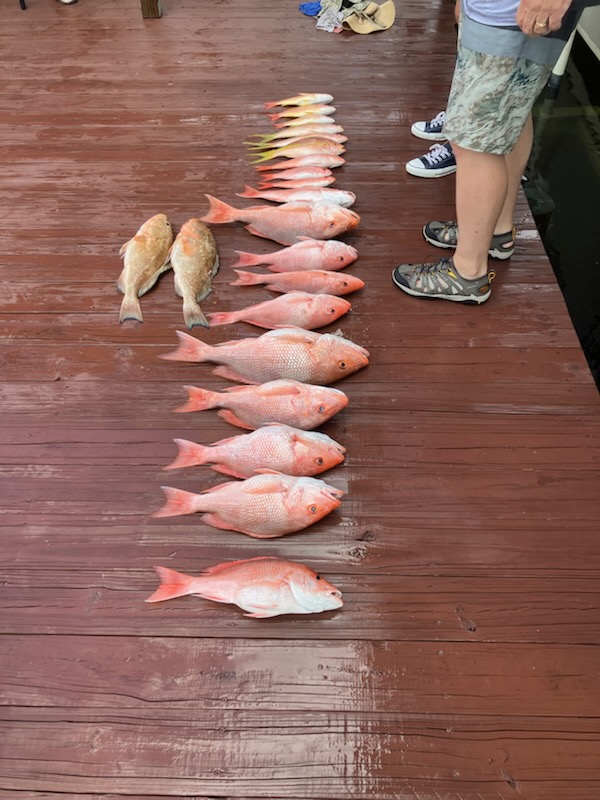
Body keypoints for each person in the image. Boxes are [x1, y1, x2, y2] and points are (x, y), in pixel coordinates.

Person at [392, 0, 599, 304]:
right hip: (500, 11)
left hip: (514, 13)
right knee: (512, 114)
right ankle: (495, 233)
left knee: (473, 140)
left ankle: (467, 273)